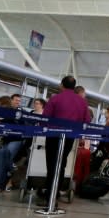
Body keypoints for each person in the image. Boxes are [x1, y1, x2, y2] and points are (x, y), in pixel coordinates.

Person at [40, 76, 92, 206]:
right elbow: (87, 121)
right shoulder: (82, 102)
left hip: (53, 136)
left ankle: (49, 198)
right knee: (61, 162)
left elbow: (44, 119)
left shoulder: (55, 98)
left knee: (52, 164)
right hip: (70, 137)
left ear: (62, 85)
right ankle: (55, 193)